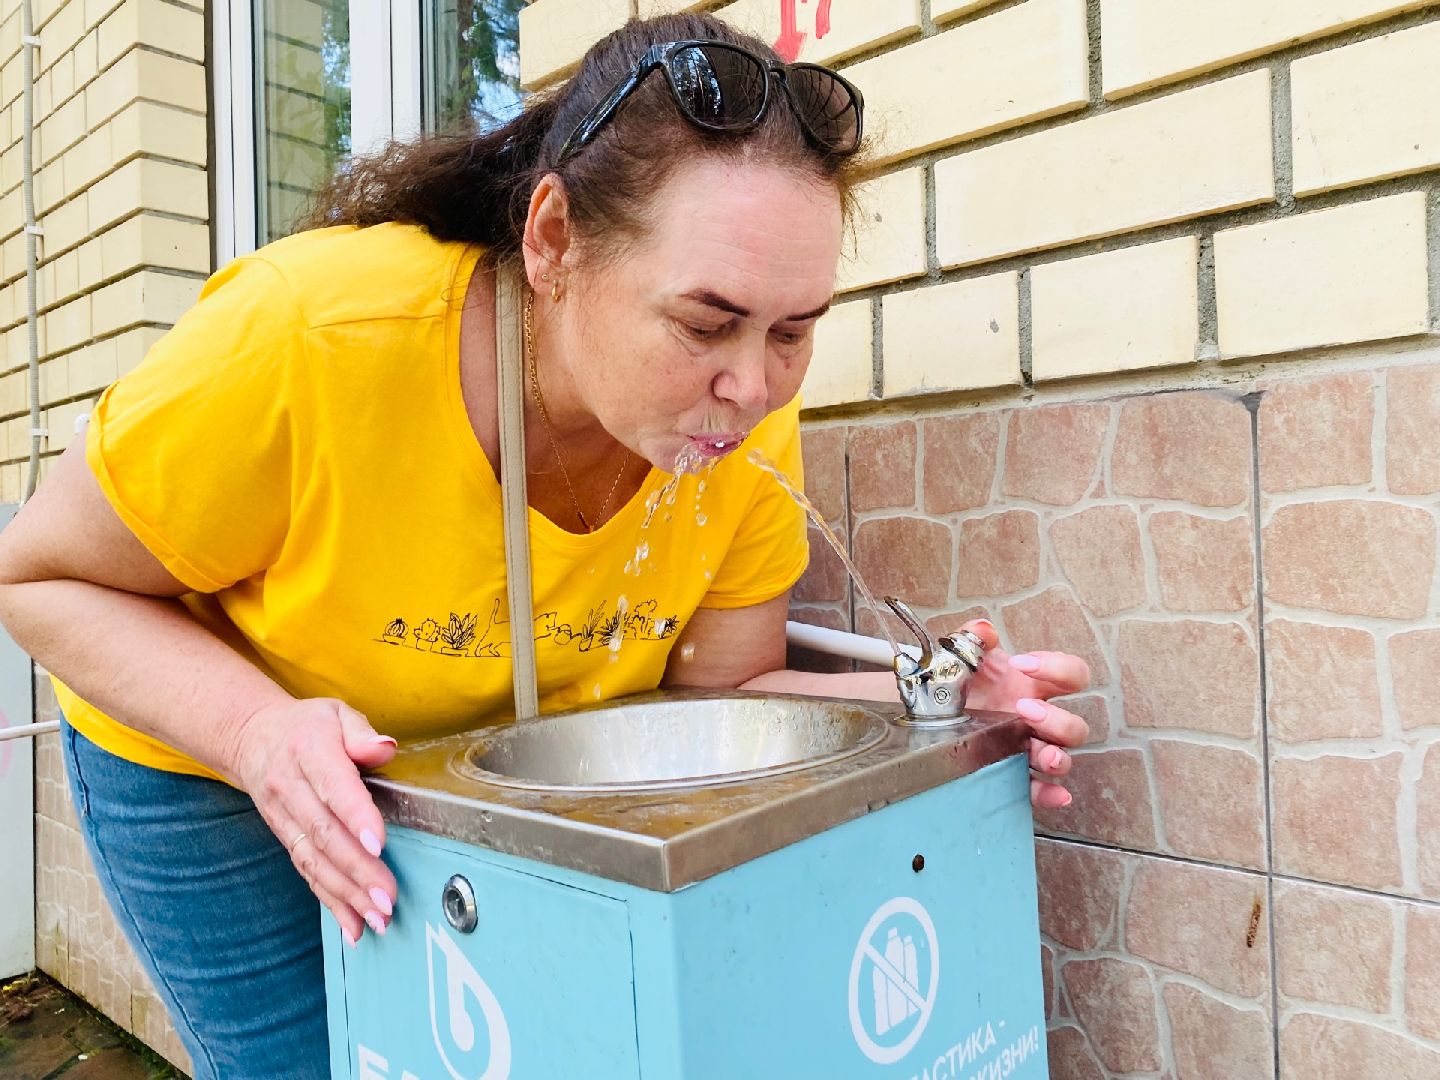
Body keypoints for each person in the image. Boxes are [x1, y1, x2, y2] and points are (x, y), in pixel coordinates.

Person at [0, 12, 1089, 1080]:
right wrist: (253, 735)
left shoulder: (746, 420)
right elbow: (38, 576)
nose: (752, 384)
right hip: (214, 762)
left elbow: (732, 684)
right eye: (706, 323)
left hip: (468, 756)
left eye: (793, 331)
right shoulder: (308, 339)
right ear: (554, 240)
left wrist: (936, 705)